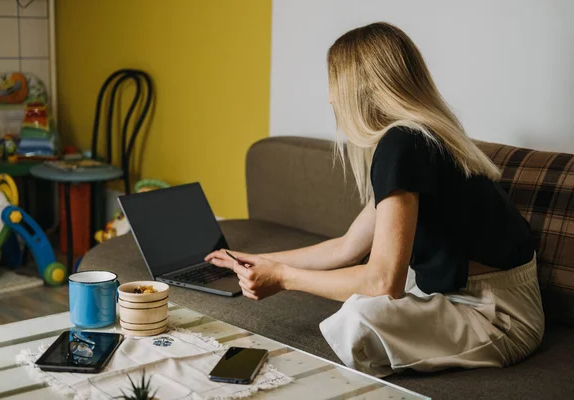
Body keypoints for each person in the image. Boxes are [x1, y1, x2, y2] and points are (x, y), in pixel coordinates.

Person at [206, 22, 544, 377]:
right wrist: (256, 260)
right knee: (362, 301)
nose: (330, 97)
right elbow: (347, 247)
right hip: (466, 293)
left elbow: (382, 283)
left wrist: (284, 277)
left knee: (358, 317)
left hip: (497, 314)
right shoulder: (412, 138)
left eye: (333, 83)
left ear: (357, 88)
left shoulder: (403, 144)